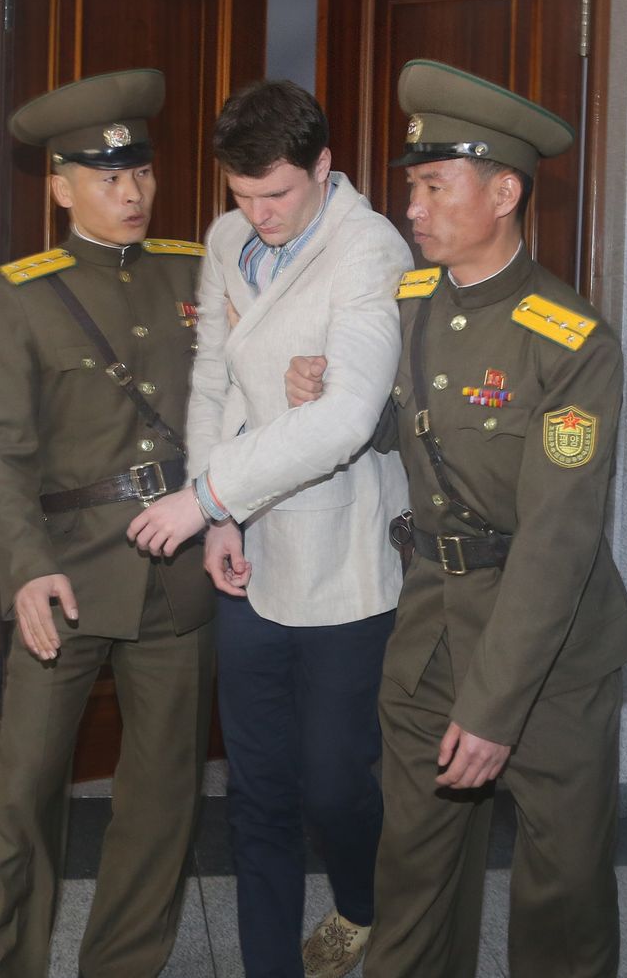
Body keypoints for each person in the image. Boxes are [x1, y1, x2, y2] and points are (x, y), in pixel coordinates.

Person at [285, 60, 627, 977]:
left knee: (559, 887)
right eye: (413, 187)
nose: (415, 208)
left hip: (547, 658)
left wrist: (494, 710)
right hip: (433, 627)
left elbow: (561, 542)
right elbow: (411, 429)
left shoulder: (571, 340)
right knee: (416, 868)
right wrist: (338, 405)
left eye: (435, 187)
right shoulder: (410, 305)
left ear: (505, 191)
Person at [125, 79, 411, 978]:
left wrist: (203, 499)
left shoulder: (369, 249)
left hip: (340, 553)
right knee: (255, 788)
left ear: (325, 167)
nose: (260, 214)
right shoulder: (226, 237)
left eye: (278, 194)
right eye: (242, 196)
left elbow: (345, 420)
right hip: (246, 545)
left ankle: (364, 905)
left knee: (334, 782)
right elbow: (212, 375)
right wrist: (221, 518)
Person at [0, 68, 216, 978]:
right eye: (107, 178)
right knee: (22, 794)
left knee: (162, 800)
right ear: (60, 187)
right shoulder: (25, 293)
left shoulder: (198, 269)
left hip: (177, 574)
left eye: (140, 172)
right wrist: (23, 567)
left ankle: (124, 965)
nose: (132, 191)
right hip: (63, 576)